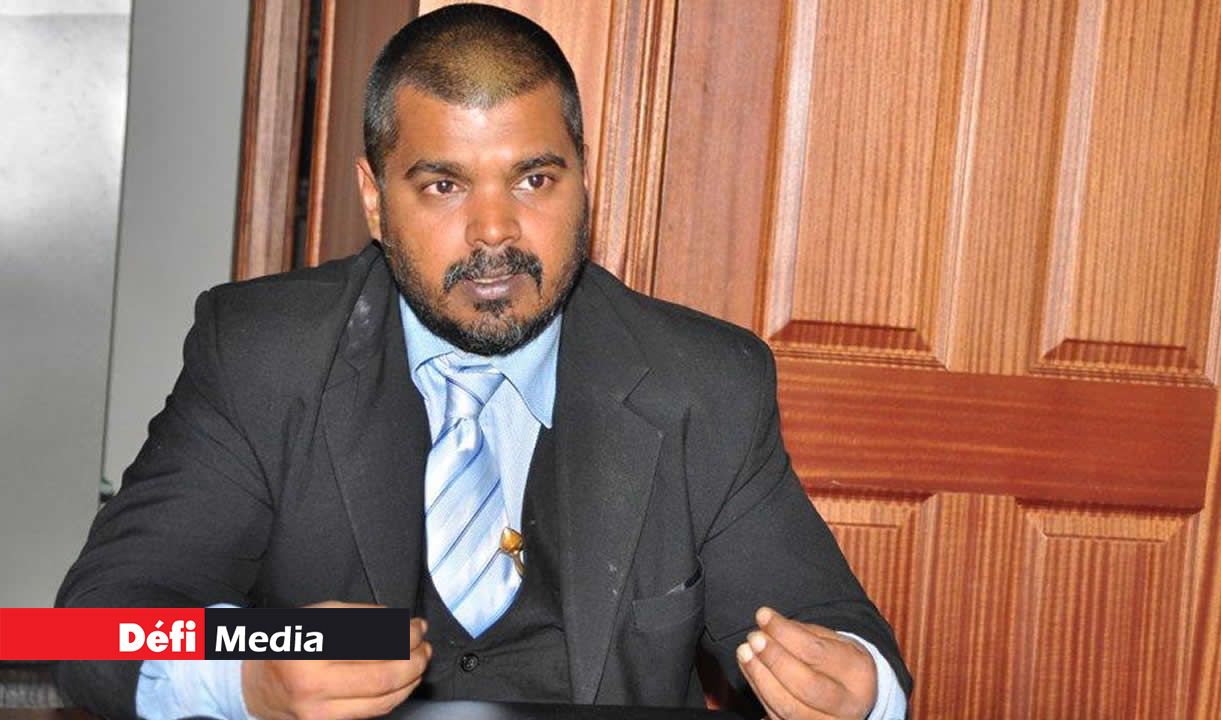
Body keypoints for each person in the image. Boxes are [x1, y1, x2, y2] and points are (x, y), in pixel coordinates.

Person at [55, 4, 911, 718]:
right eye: (444, 185)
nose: (495, 231)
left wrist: (855, 692)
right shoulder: (262, 356)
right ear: (374, 199)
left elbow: (840, 639)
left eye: (534, 180)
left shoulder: (704, 382)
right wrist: (254, 673)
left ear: (584, 180)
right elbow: (86, 630)